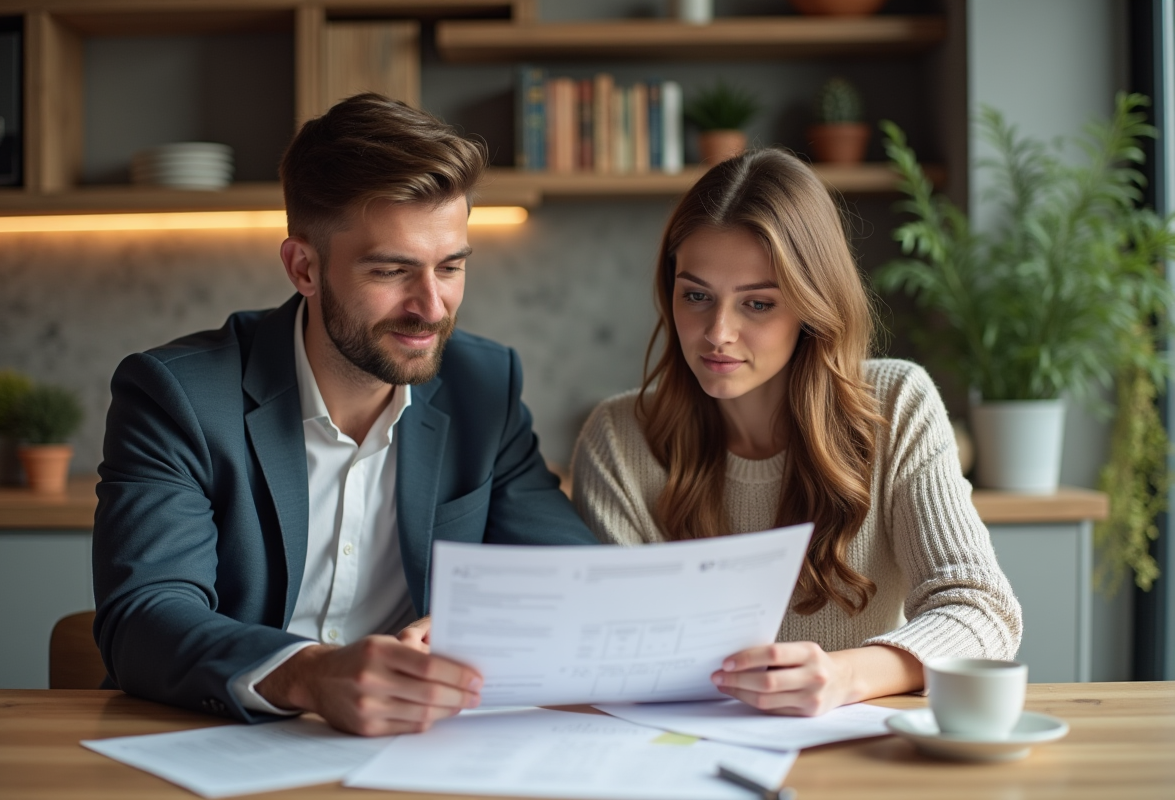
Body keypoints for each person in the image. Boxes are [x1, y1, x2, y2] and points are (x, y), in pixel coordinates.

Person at [93, 93, 598, 737]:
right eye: (391, 270)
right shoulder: (177, 396)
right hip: (215, 744)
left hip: (418, 752)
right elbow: (143, 616)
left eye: (451, 267)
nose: (432, 307)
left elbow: (570, 574)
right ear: (303, 267)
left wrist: (484, 623)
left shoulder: (484, 385)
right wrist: (309, 674)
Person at [571, 148, 1022, 717]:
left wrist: (845, 675)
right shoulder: (617, 439)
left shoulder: (898, 404)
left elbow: (984, 611)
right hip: (681, 752)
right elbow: (614, 648)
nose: (718, 333)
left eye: (757, 303)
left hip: (855, 751)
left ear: (812, 307)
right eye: (696, 296)